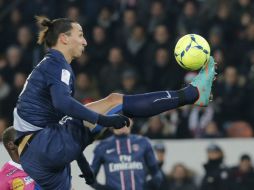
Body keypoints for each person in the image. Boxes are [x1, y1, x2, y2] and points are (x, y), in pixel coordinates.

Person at [13, 16, 216, 189]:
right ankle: (191, 94)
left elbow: (67, 124)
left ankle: (191, 95)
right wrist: (105, 120)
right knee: (115, 102)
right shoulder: (57, 65)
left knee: (107, 104)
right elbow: (62, 104)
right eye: (81, 35)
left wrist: (86, 169)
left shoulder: (47, 65)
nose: (85, 42)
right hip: (45, 144)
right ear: (64, 39)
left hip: (36, 155)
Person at [91, 121, 163, 190]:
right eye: (118, 118)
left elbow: (156, 172)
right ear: (111, 123)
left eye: (126, 118)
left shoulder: (144, 142)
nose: (123, 122)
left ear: (131, 122)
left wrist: (148, 187)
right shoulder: (102, 146)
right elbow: (89, 176)